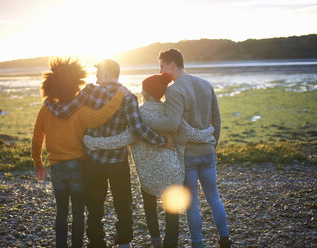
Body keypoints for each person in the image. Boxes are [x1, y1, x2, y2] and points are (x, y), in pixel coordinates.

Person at [44, 59, 173, 248]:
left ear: (106, 73)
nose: (95, 77)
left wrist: (49, 103)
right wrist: (163, 141)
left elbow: (65, 112)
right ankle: (124, 242)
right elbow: (138, 129)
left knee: (94, 205)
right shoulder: (128, 97)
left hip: (93, 160)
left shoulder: (89, 92)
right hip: (118, 161)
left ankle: (96, 242)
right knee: (123, 204)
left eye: (98, 74)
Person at [83, 73, 216, 248]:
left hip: (148, 175)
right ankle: (170, 243)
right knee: (172, 209)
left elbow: (123, 139)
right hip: (173, 171)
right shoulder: (171, 113)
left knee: (149, 204)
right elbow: (190, 133)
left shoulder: (139, 114)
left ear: (144, 91)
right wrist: (210, 132)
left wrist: (92, 142)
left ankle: (155, 240)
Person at [31, 57, 130, 248]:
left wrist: (38, 162)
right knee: (78, 212)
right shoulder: (80, 110)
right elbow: (100, 117)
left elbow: (37, 137)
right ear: (75, 84)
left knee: (61, 212)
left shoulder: (46, 109)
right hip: (77, 165)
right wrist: (118, 97)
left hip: (56, 166)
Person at [145, 49, 231, 248]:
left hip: (189, 154)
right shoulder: (205, 84)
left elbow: (171, 124)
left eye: (161, 66)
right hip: (208, 151)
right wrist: (214, 146)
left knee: (192, 202)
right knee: (214, 196)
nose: (160, 71)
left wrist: (146, 120)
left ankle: (197, 243)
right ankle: (225, 239)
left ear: (172, 65)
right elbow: (216, 120)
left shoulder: (174, 90)